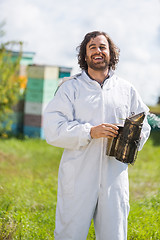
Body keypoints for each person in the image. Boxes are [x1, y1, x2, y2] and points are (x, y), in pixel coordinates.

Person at [43, 31, 151, 240]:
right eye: (92, 47)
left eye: (103, 47)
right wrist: (89, 132)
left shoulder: (126, 89)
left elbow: (143, 122)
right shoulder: (70, 88)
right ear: (84, 56)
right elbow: (52, 128)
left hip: (114, 177)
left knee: (115, 235)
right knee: (70, 234)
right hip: (78, 176)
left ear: (111, 53)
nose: (98, 51)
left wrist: (129, 140)